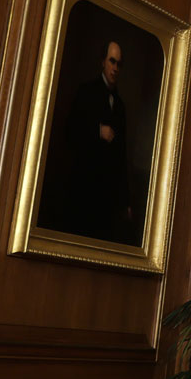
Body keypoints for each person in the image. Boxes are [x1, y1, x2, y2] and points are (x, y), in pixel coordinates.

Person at [56, 40, 134, 243]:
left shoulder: (120, 106)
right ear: (103, 62)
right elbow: (70, 130)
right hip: (84, 188)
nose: (115, 68)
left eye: (119, 64)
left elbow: (121, 155)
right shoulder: (86, 91)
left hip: (106, 197)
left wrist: (125, 201)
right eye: (112, 61)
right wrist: (97, 131)